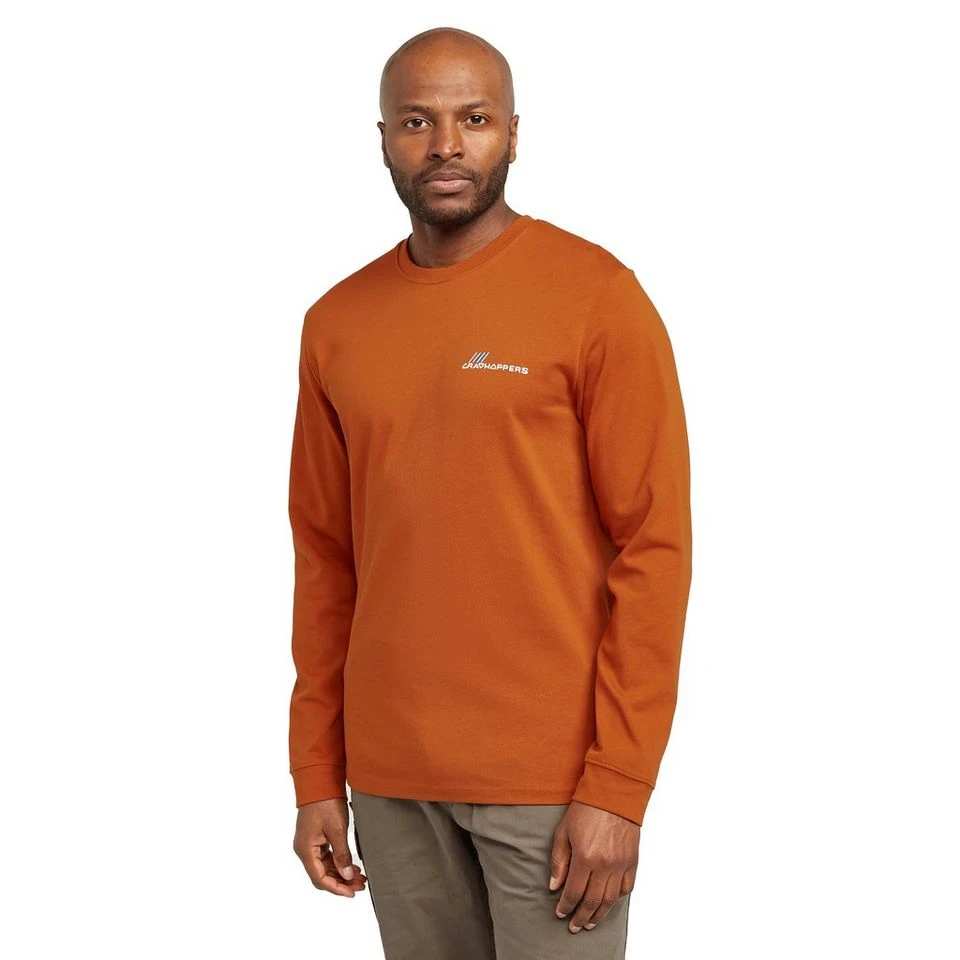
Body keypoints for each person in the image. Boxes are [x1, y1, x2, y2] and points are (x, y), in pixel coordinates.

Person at [287, 25, 693, 960]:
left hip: (551, 783)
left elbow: (655, 548)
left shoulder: (596, 297)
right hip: (389, 780)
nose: (445, 145)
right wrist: (315, 772)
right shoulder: (336, 323)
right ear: (382, 138)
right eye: (416, 121)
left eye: (473, 119)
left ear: (514, 132)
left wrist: (619, 786)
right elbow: (324, 558)